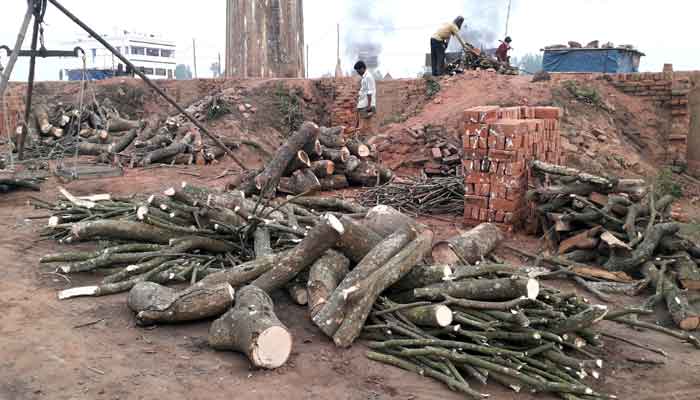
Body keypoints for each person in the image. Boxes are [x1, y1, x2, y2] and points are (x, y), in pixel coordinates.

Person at [354, 60, 376, 135]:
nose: (358, 72)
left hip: (366, 105)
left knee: (364, 126)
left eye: (358, 70)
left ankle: (365, 141)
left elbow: (369, 92)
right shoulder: (365, 77)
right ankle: (370, 138)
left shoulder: (368, 77)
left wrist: (369, 106)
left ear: (362, 68)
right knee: (365, 125)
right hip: (363, 104)